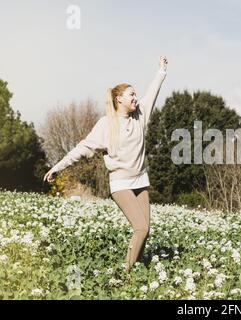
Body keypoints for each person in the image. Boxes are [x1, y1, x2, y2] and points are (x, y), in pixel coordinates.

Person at [44, 56, 168, 271]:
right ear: (119, 99)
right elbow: (81, 149)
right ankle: (125, 274)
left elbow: (152, 93)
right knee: (140, 228)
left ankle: (136, 268)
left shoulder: (140, 117)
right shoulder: (106, 125)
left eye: (136, 94)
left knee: (146, 229)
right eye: (131, 94)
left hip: (140, 180)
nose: (136, 98)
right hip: (121, 183)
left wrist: (161, 72)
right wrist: (57, 167)